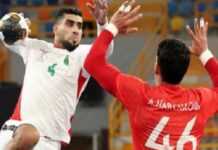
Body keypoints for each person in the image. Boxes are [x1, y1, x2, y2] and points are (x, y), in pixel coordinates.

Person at [84, 1, 218, 149]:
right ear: (184, 70)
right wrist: (204, 54)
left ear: (156, 68)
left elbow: (93, 62)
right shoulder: (199, 101)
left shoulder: (139, 94)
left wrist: (111, 27)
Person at [0, 0, 116, 149]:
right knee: (27, 134)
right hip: (13, 130)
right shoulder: (35, 47)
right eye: (69, 24)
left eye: (79, 26)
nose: (76, 30)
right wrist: (15, 23)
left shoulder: (81, 55)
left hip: (46, 141)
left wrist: (102, 23)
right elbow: (7, 37)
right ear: (55, 28)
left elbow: (104, 51)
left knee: (29, 135)